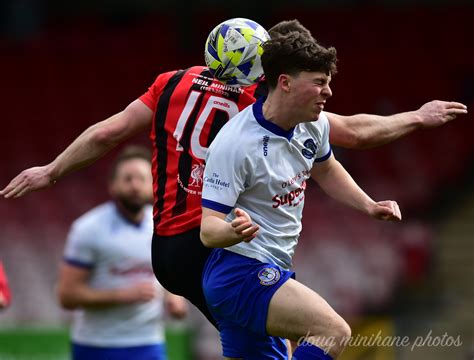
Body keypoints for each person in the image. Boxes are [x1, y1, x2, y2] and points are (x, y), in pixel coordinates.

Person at [0, 20, 467, 328]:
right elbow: (350, 133)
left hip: (167, 246)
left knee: (256, 343)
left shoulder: (170, 83)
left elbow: (108, 134)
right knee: (312, 331)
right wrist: (416, 117)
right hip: (218, 240)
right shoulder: (258, 108)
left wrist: (52, 170)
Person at [199, 31, 401, 359]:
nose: (328, 92)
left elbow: (325, 168)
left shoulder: (314, 124)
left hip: (268, 268)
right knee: (332, 331)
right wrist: (232, 230)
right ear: (285, 82)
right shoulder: (235, 143)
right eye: (319, 82)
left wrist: (368, 204)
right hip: (238, 273)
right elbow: (208, 231)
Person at [56, 145, 188, 360]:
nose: (135, 185)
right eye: (127, 179)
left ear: (153, 184)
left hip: (149, 343)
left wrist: (173, 297)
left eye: (142, 179)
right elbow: (66, 296)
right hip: (97, 345)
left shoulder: (163, 225)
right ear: (112, 185)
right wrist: (123, 295)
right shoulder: (88, 228)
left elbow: (164, 273)